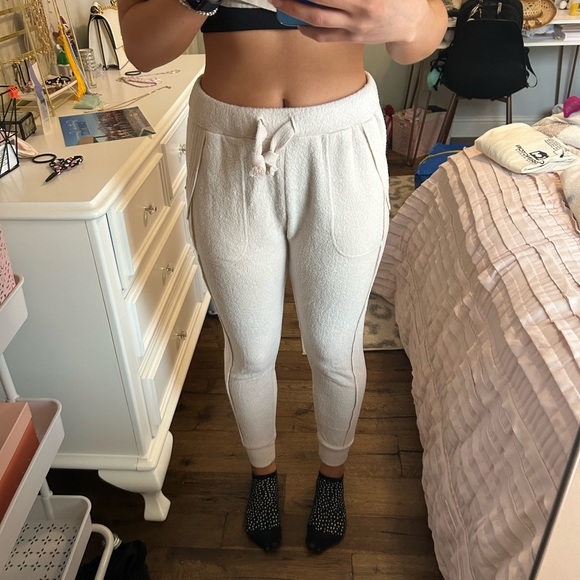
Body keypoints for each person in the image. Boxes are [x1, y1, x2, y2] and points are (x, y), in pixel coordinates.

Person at [119, 0, 447, 553]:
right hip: (229, 143)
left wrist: (408, 18)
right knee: (250, 350)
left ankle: (332, 477)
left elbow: (422, 34)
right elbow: (141, 48)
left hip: (341, 142)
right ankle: (262, 474)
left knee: (335, 348)